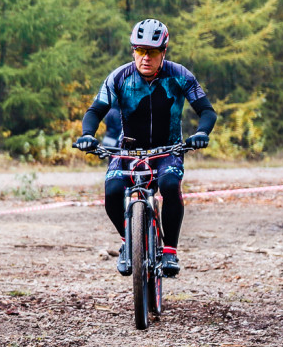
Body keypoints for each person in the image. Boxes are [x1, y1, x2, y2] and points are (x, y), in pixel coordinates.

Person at [74, 18, 217, 278]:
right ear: (133, 51)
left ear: (163, 52)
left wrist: (201, 133)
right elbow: (95, 110)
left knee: (171, 185)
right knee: (113, 190)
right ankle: (127, 242)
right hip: (128, 151)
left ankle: (170, 251)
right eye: (139, 51)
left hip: (167, 151)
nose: (145, 58)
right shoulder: (119, 77)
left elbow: (207, 111)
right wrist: (86, 135)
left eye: (151, 52)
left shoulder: (180, 75)